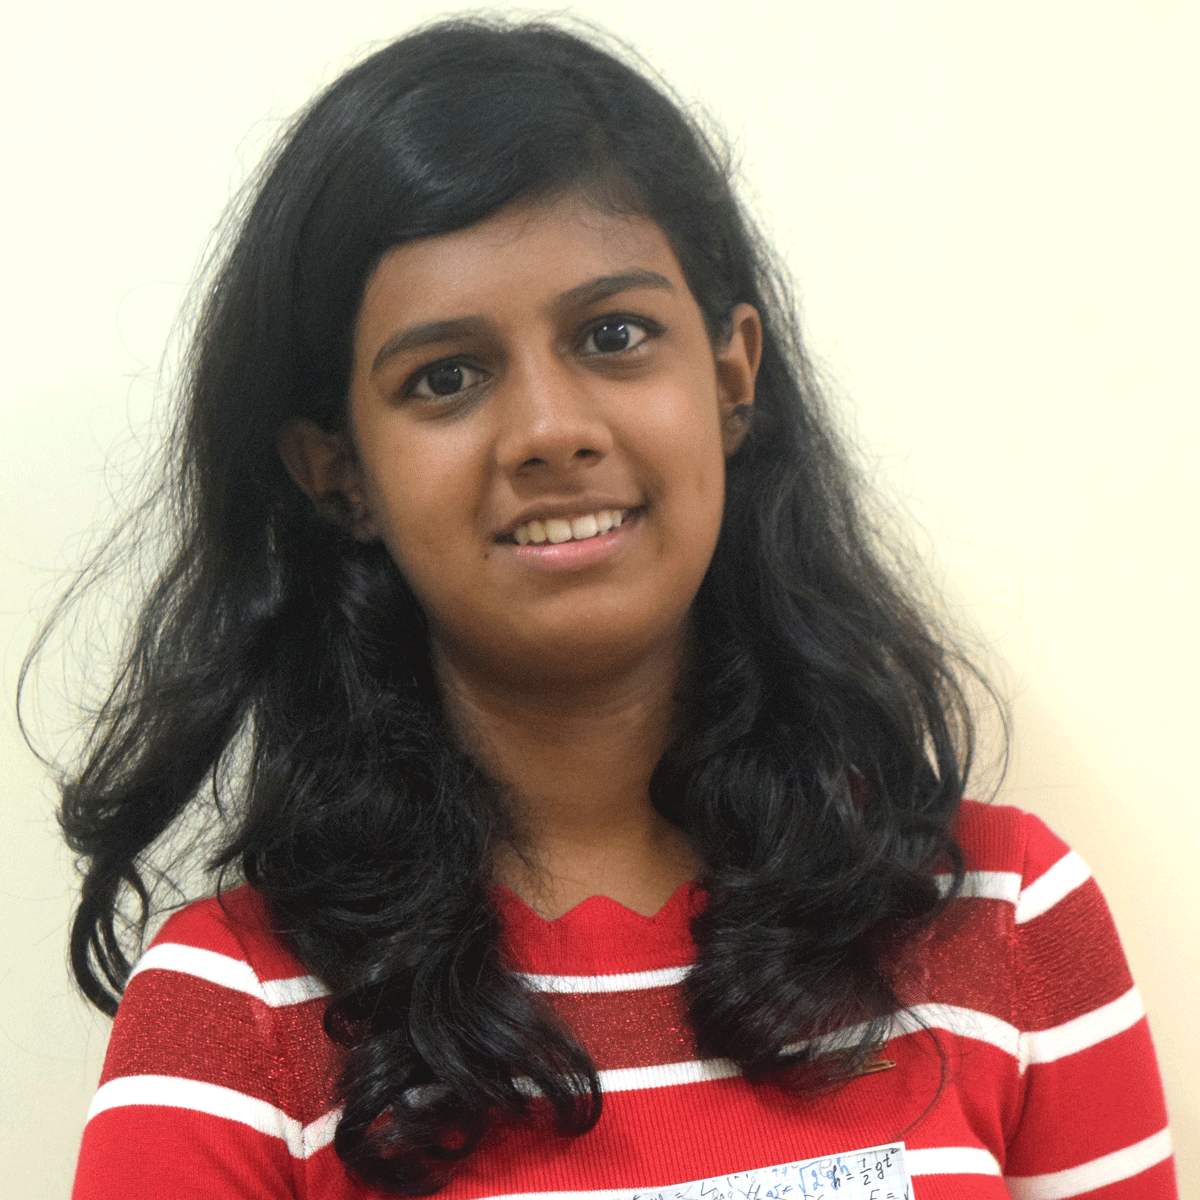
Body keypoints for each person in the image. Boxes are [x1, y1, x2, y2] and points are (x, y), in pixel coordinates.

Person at [53, 17, 1173, 1200]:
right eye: (445, 377)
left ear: (731, 378)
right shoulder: (232, 1020)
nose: (550, 430)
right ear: (340, 473)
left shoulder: (1003, 920)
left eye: (614, 336)